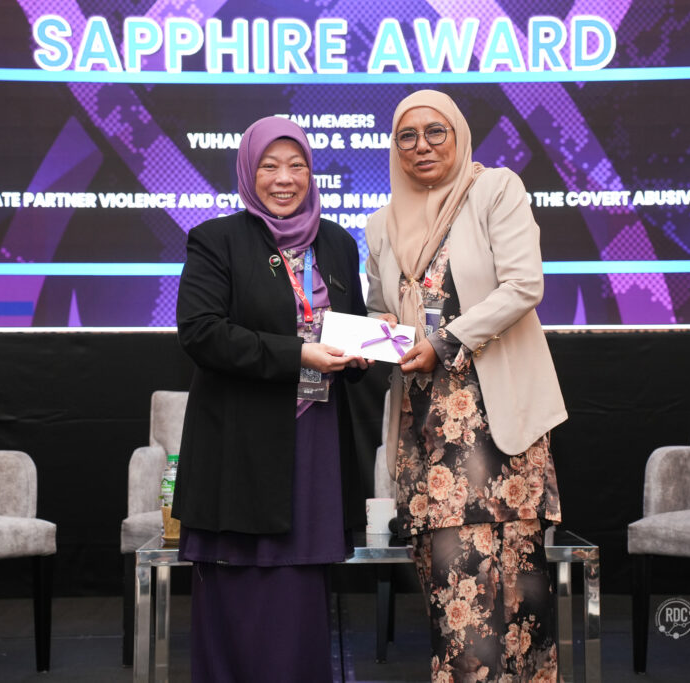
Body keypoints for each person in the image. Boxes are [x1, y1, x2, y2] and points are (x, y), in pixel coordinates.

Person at [365, 89, 568, 682]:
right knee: (452, 592)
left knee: (519, 599)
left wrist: (445, 340)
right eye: (407, 136)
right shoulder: (380, 223)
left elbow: (523, 284)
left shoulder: (495, 190)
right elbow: (380, 306)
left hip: (495, 425)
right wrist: (378, 332)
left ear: (458, 134)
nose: (421, 145)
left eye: (436, 131)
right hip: (424, 431)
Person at [170, 116, 368, 682]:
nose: (285, 179)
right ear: (248, 172)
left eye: (297, 165)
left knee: (301, 583)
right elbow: (201, 333)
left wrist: (361, 351)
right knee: (241, 583)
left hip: (315, 436)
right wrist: (298, 354)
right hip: (242, 441)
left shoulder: (337, 242)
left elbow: (348, 323)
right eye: (270, 166)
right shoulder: (217, 240)